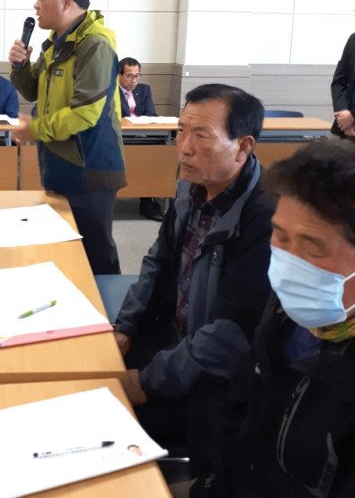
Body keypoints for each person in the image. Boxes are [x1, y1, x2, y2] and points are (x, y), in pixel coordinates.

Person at [113, 83, 275, 485]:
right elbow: (157, 261)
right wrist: (126, 327)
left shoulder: (266, 219)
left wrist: (145, 382)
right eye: (181, 131)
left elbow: (228, 338)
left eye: (201, 136)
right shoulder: (191, 186)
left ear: (243, 147)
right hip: (170, 340)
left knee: (106, 426)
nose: (183, 148)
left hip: (214, 377)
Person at [222, 139, 355, 498]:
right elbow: (242, 407)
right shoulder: (287, 311)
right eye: (280, 237)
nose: (290, 263)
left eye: (312, 248)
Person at [9, 0, 126, 275]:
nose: (36, 5)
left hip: (89, 169)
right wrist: (21, 67)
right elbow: (32, 91)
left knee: (95, 258)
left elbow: (85, 112)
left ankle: (108, 306)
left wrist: (35, 129)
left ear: (66, 0)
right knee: (66, 253)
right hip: (59, 165)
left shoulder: (95, 45)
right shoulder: (56, 45)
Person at [118, 57, 164, 222]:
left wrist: (144, 129)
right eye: (130, 76)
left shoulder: (144, 90)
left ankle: (147, 199)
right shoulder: (111, 91)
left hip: (144, 136)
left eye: (137, 76)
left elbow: (151, 114)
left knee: (159, 150)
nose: (134, 80)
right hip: (122, 138)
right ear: (119, 75)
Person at [330, 32, 355, 138]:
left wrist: (353, 116)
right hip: (344, 129)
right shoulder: (353, 39)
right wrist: (343, 113)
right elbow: (339, 82)